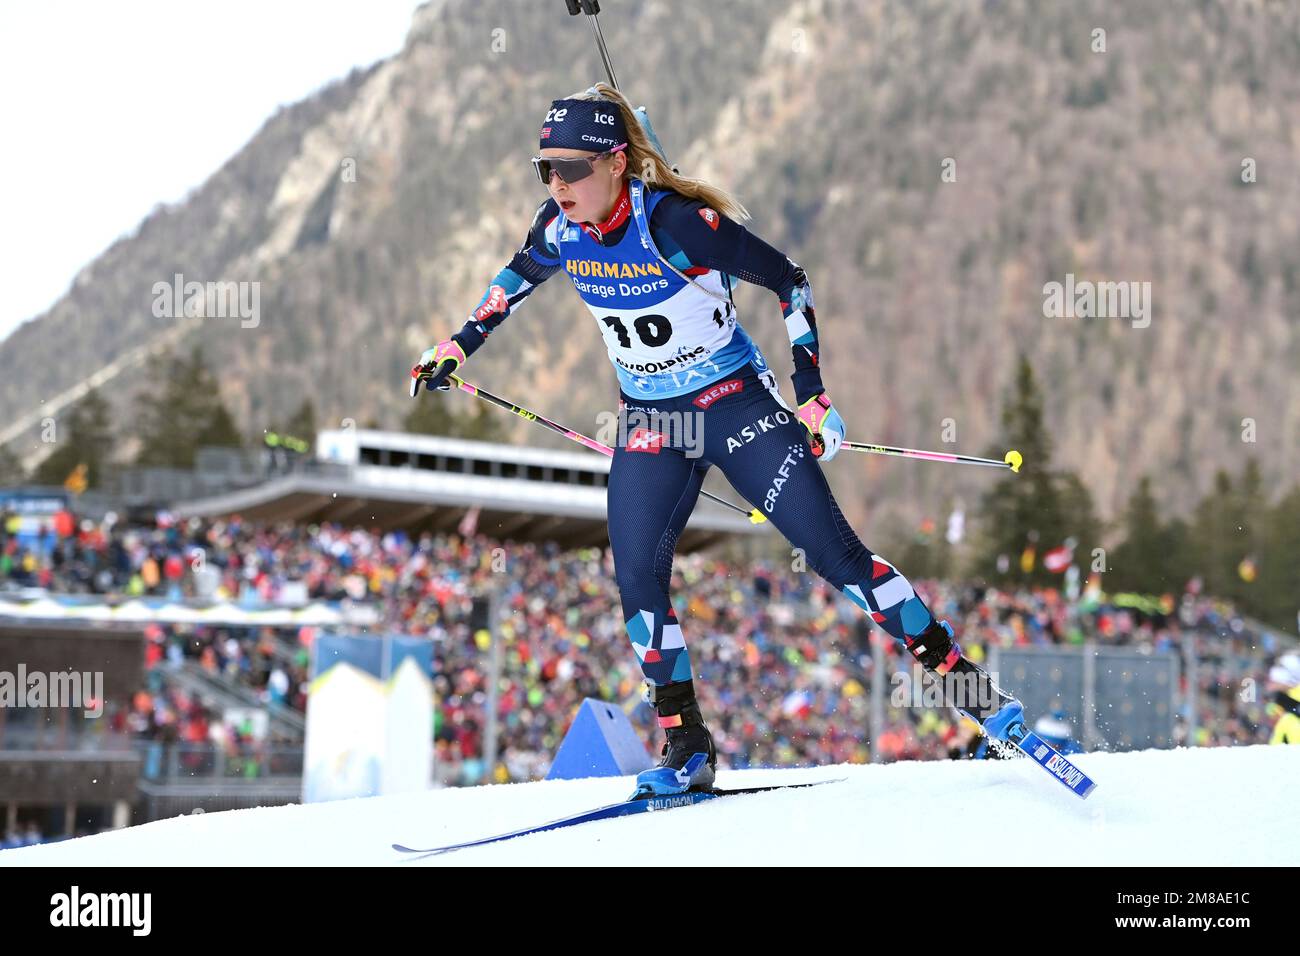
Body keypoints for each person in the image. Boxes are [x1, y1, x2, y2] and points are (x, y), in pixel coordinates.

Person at [412, 83, 1024, 795]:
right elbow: (515, 278)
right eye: (544, 169)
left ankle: (979, 699)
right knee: (637, 575)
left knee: (836, 557)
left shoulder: (680, 223)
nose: (557, 184)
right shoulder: (560, 226)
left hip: (735, 408)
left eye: (571, 168)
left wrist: (814, 397)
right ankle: (687, 744)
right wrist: (457, 345)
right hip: (653, 423)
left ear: (616, 163)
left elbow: (790, 283)